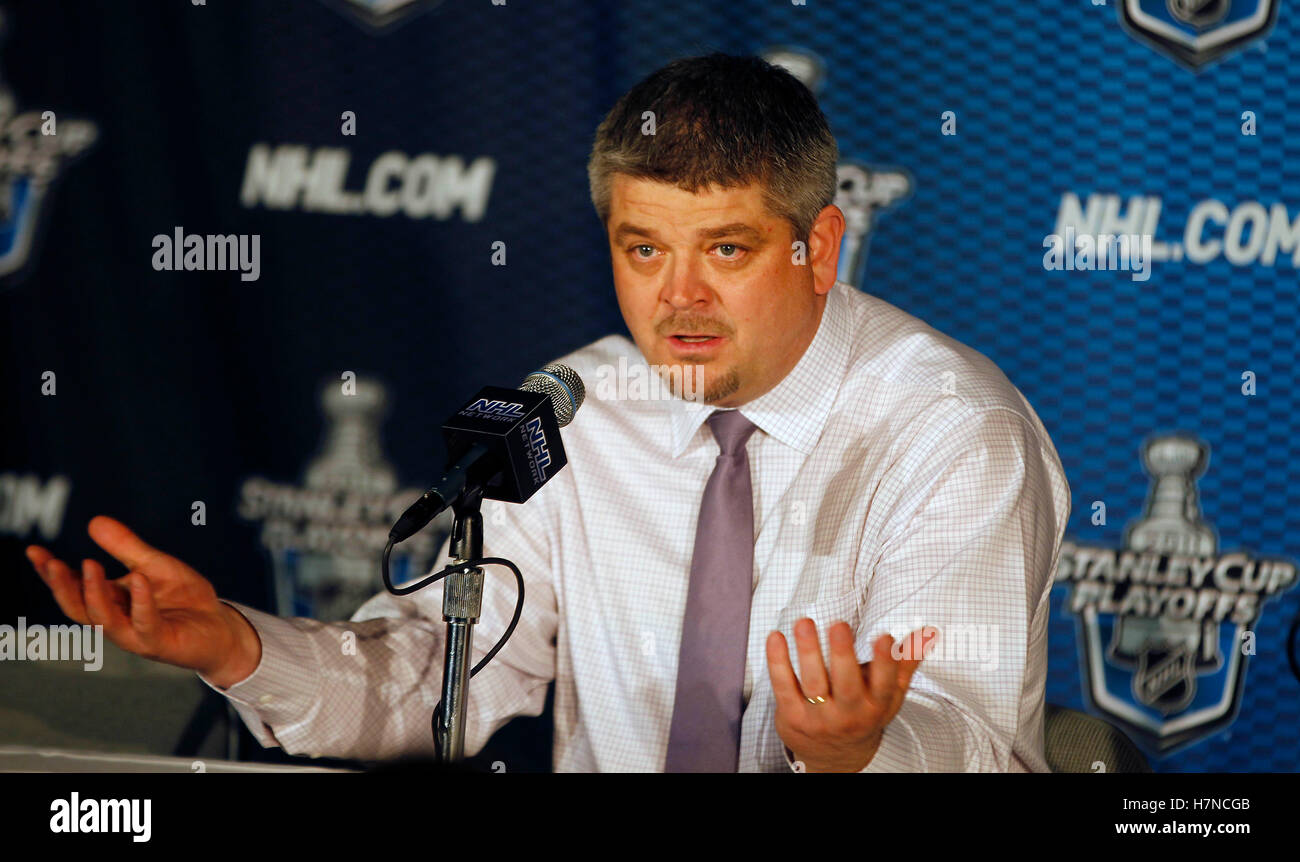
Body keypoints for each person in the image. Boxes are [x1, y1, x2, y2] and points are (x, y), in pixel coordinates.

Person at [24, 53, 1069, 772]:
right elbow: (439, 672)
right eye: (643, 248)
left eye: (728, 250)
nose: (679, 299)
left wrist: (856, 751)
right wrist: (238, 648)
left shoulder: (948, 429)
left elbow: (975, 734)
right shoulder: (574, 408)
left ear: (820, 247)